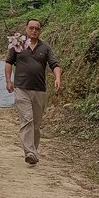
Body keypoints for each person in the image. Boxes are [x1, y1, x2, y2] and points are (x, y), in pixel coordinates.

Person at [4, 18, 62, 165]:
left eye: (37, 28)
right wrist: (8, 81)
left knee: (36, 124)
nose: (34, 30)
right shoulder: (18, 44)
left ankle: (33, 152)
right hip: (21, 88)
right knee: (27, 119)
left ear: (40, 30)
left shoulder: (45, 48)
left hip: (39, 90)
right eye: (31, 28)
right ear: (26, 29)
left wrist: (57, 78)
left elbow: (54, 64)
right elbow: (8, 63)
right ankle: (29, 151)